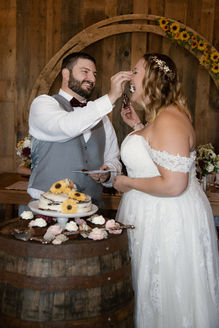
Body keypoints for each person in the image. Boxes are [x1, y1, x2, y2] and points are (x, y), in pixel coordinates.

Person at [113, 53, 219, 327]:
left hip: (166, 219)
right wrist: (138, 127)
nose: (129, 76)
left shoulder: (169, 119)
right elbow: (155, 158)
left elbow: (174, 184)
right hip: (153, 215)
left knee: (166, 293)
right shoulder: (159, 118)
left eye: (135, 71)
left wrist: (126, 183)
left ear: (151, 79)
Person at [27, 52, 132, 207]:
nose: (92, 79)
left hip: (91, 209)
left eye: (94, 74)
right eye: (85, 71)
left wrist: (107, 173)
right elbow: (65, 126)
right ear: (66, 74)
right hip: (46, 209)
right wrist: (110, 97)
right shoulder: (43, 104)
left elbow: (113, 159)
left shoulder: (102, 118)